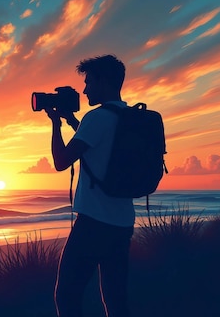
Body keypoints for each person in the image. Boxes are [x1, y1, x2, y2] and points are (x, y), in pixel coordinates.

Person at [45, 54, 134, 317]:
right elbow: (96, 145)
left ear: (103, 81)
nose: (84, 90)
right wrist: (72, 121)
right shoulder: (126, 116)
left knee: (67, 295)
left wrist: (55, 126)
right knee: (115, 298)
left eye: (89, 82)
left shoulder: (97, 118)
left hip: (94, 224)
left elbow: (61, 161)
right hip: (122, 222)